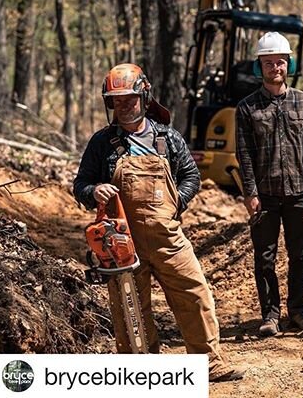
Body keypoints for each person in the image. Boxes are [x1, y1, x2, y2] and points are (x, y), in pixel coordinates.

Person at [73, 63, 243, 382]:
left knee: (194, 292)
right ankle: (142, 370)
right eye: (116, 101)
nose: (123, 106)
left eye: (129, 99)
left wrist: (178, 199)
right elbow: (80, 183)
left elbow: (191, 174)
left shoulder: (167, 137)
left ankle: (208, 363)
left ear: (144, 96)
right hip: (122, 240)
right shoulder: (101, 143)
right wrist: (94, 190)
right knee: (130, 309)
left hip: (168, 237)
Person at [235, 32, 303, 337]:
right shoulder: (247, 108)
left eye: (280, 62)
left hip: (300, 193)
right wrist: (250, 192)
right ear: (259, 67)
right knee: (265, 258)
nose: (275, 67)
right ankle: (270, 316)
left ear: (289, 64)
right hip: (265, 196)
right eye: (269, 62)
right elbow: (244, 153)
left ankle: (298, 311)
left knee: (299, 254)